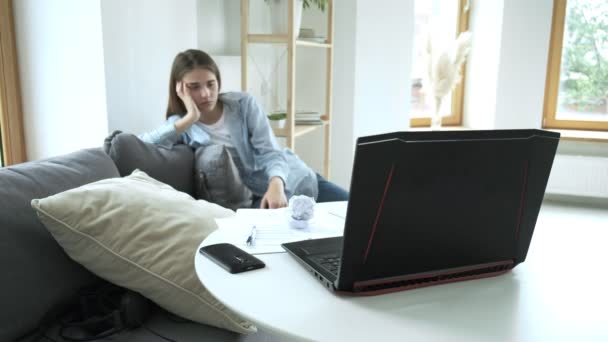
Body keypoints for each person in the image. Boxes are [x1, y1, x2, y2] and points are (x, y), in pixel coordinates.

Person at [139, 49, 348, 209]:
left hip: (290, 177)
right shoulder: (182, 125)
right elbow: (142, 144)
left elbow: (271, 152)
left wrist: (276, 184)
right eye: (194, 87)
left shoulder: (243, 104)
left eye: (210, 84)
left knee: (360, 213)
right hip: (261, 201)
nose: (205, 94)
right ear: (179, 88)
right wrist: (191, 117)